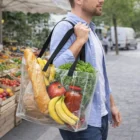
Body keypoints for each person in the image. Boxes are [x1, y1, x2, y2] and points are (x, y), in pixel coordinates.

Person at [50, 0, 122, 140]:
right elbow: (56, 70)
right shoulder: (65, 27)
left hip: (100, 115)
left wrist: (111, 104)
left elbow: (100, 75)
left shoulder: (91, 30)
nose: (102, 0)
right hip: (80, 118)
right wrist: (79, 41)